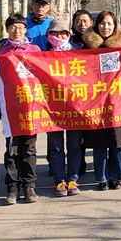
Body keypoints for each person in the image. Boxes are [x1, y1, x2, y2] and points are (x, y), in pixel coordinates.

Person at [82, 11, 121, 190]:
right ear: (97, 25)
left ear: (115, 26)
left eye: (110, 24)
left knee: (117, 142)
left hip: (118, 101)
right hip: (95, 102)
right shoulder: (86, 48)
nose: (106, 27)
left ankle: (116, 176)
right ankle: (101, 178)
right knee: (99, 144)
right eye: (102, 23)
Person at [0, 14, 41, 204]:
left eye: (21, 27)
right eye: (13, 27)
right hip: (10, 108)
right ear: (7, 30)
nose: (17, 31)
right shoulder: (1, 52)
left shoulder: (34, 50)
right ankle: (12, 188)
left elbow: (44, 76)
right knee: (12, 150)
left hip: (30, 107)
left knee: (29, 149)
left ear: (25, 29)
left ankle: (29, 186)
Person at [44, 20, 83, 198]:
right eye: (54, 33)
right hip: (52, 108)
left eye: (62, 33)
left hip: (74, 106)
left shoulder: (78, 52)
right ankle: (59, 180)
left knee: (74, 145)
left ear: (68, 34)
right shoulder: (42, 55)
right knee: (56, 147)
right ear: (48, 35)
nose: (58, 36)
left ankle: (73, 178)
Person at [70, 9, 93, 177]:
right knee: (76, 136)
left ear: (91, 23)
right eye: (78, 21)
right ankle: (78, 165)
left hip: (94, 93)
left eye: (85, 21)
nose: (82, 24)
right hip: (74, 94)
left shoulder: (97, 41)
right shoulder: (68, 43)